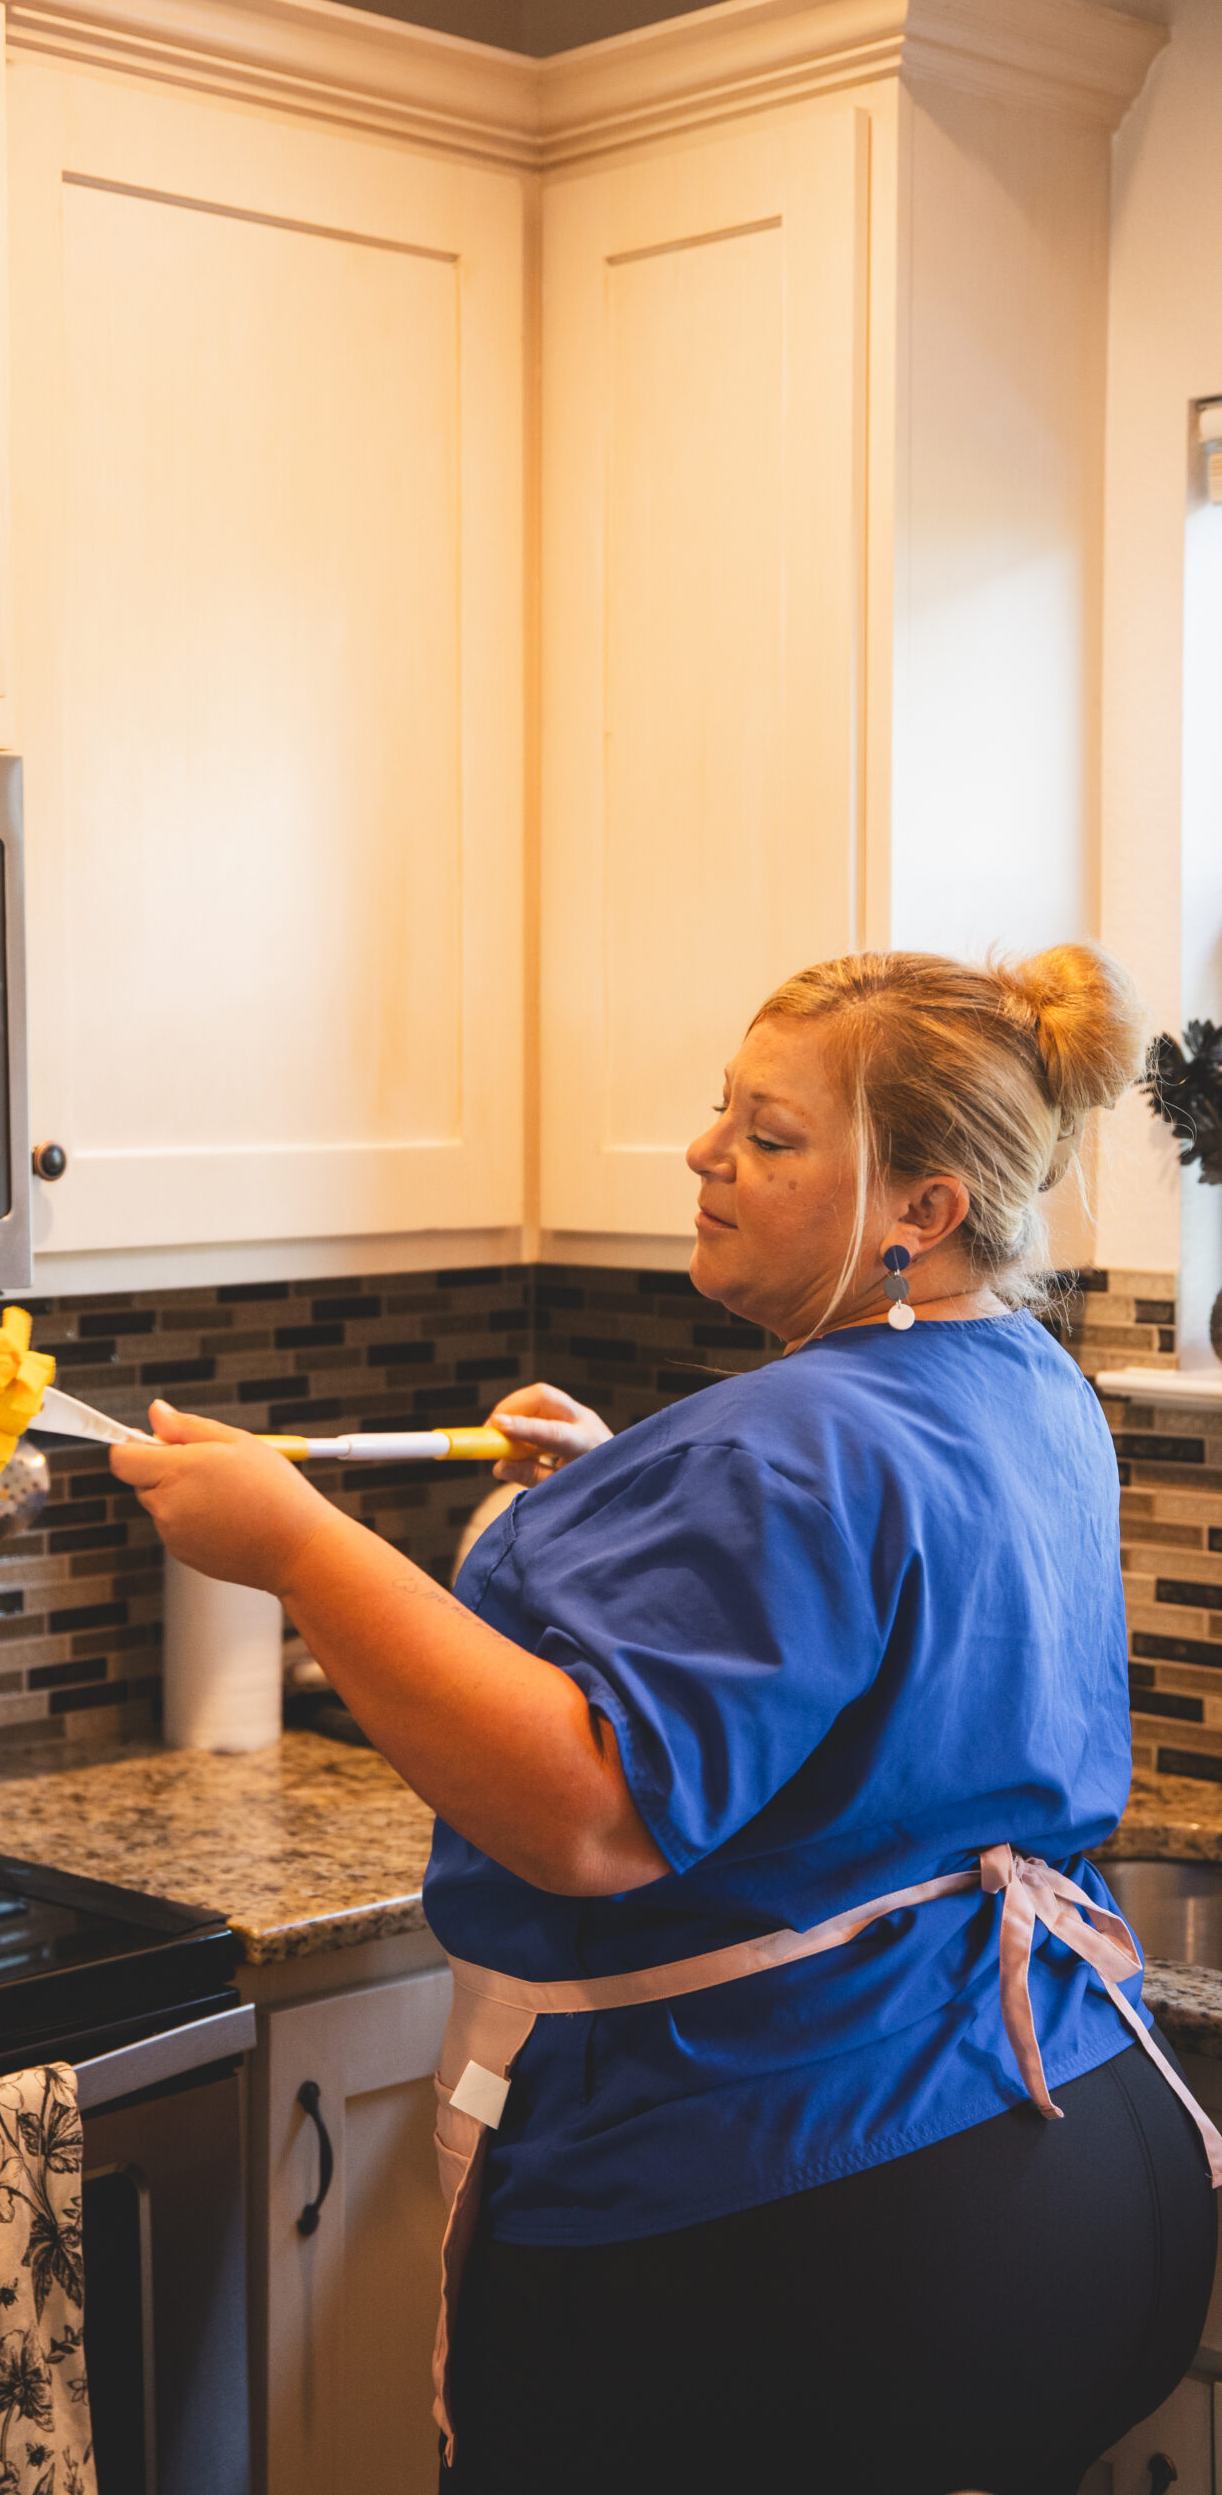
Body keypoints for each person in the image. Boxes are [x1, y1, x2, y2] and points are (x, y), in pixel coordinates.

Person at [113, 946, 1219, 2495]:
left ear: (922, 1210)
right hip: (1062, 2159)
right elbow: (851, 1619)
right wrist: (633, 1483)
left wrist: (298, 1546)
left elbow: (586, 1817)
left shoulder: (787, 1442)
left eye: (769, 1139)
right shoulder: (1022, 1378)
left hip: (789, 2206)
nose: (702, 1154)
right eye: (721, 1113)